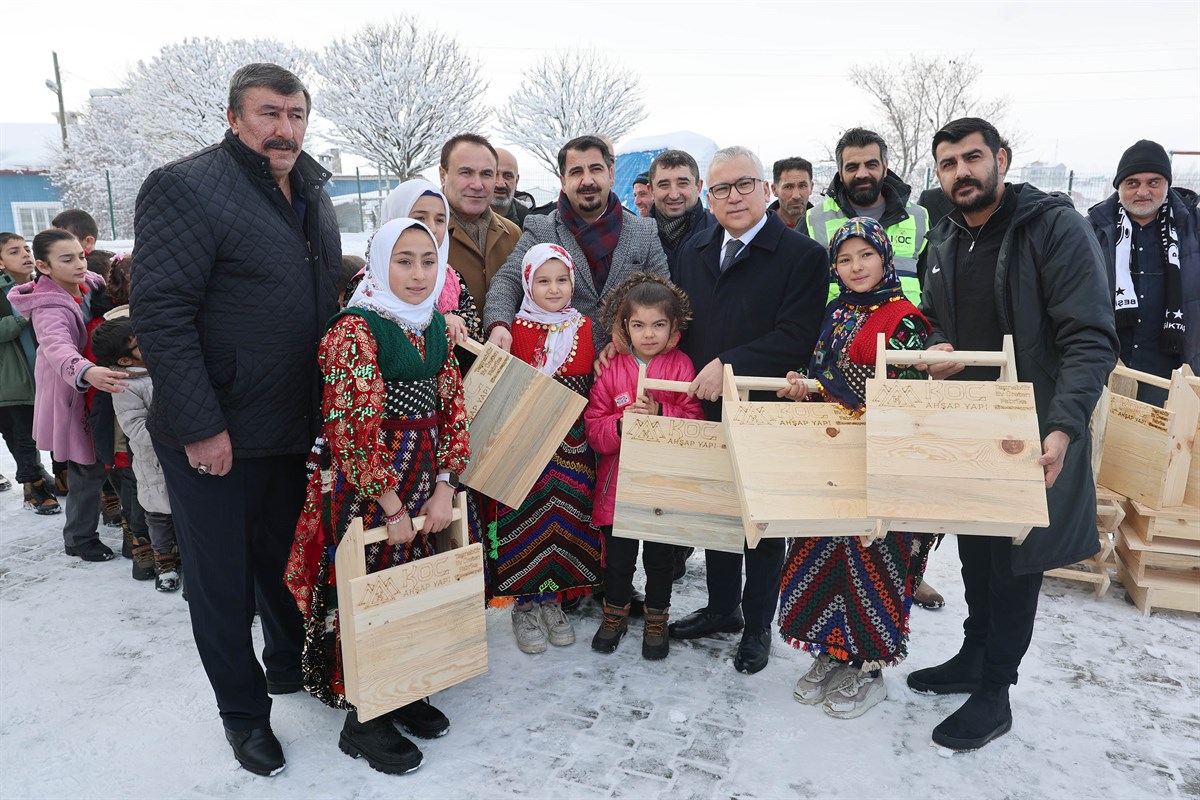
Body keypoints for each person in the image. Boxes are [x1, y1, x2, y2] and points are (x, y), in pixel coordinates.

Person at [131, 63, 341, 777]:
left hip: (291, 424)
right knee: (222, 585)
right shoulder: (185, 187)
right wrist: (200, 425)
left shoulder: (313, 189)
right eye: (269, 113)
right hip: (217, 431)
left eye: (296, 114)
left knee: (286, 564)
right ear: (233, 118)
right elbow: (162, 312)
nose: (285, 128)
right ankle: (244, 716)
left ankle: (288, 665)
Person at [907, 117, 1117, 752]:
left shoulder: (1051, 228)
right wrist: (938, 344)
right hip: (970, 424)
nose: (962, 172)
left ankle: (996, 691)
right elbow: (935, 316)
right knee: (975, 550)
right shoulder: (945, 233)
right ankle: (973, 657)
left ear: (1001, 158)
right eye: (949, 163)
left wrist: (1064, 426)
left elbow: (1089, 336)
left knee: (1015, 561)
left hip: (1033, 426)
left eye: (973, 158)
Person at [285, 218, 469, 775]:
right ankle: (364, 718)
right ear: (379, 263)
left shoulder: (432, 324)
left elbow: (453, 409)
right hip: (370, 491)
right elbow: (351, 427)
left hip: (425, 480)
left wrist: (444, 488)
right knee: (368, 590)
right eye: (403, 261)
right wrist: (390, 504)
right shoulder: (355, 330)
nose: (418, 274)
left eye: (428, 261)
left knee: (414, 583)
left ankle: (403, 687)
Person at [667, 145, 827, 675]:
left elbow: (798, 334)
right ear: (708, 197)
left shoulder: (802, 255)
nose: (733, 197)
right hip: (706, 403)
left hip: (766, 405)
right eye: (721, 188)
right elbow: (682, 322)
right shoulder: (694, 249)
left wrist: (728, 364)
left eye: (743, 185)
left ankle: (758, 623)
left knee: (762, 522)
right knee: (718, 510)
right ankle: (721, 608)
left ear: (766, 189)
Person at [774, 217, 934, 718]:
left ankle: (868, 668)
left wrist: (830, 391)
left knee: (874, 561)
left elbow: (906, 400)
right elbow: (823, 374)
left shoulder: (905, 319)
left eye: (866, 255)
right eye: (844, 259)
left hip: (881, 462)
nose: (856, 266)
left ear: (885, 258)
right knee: (822, 554)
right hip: (831, 459)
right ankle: (830, 653)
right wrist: (805, 386)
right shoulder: (836, 311)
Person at [487, 243, 602, 654]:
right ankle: (523, 606)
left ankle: (554, 602)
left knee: (566, 520)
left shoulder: (586, 327)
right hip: (524, 445)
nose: (554, 289)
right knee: (525, 519)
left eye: (562, 280)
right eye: (543, 281)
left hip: (573, 446)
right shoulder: (513, 331)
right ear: (527, 283)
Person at [584, 272, 702, 658]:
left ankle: (656, 619)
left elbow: (695, 423)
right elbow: (594, 428)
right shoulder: (611, 369)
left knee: (659, 560)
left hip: (662, 487)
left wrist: (661, 413)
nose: (648, 334)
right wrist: (622, 425)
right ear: (625, 326)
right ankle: (614, 614)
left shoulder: (682, 367)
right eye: (638, 325)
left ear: (674, 326)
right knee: (618, 561)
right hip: (618, 488)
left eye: (658, 325)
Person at [484, 136, 670, 355]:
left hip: (623, 362)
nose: (587, 180)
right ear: (563, 181)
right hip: (557, 361)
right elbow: (509, 280)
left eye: (596, 169)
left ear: (611, 175)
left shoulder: (644, 231)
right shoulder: (542, 229)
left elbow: (663, 292)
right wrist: (499, 324)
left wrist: (627, 338)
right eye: (576, 172)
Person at [9, 229, 129, 561]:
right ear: (44, 267)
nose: (79, 264)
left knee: (113, 460)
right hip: (74, 395)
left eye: (80, 256)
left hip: (100, 391)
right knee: (88, 469)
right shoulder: (48, 306)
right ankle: (78, 538)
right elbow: (57, 347)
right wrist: (87, 371)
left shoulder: (91, 283)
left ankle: (129, 525)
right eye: (67, 259)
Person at [1087, 139, 1199, 406]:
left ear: (1167, 184)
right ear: (1119, 186)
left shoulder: (1194, 228)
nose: (1142, 191)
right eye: (1133, 183)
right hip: (1106, 368)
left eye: (1153, 182)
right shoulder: (1092, 229)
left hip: (1174, 371)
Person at [92, 315, 181, 592]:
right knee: (158, 514)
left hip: (180, 458)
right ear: (124, 360)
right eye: (138, 343)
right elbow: (135, 428)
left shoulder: (159, 367)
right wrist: (174, 434)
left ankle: (184, 553)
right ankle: (164, 561)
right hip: (152, 462)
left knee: (182, 510)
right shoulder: (124, 386)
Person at [804, 128, 929, 303]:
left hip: (905, 320)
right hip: (838, 320)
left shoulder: (919, 218)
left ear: (885, 167)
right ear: (840, 172)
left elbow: (933, 293)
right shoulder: (814, 221)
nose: (862, 174)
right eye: (852, 167)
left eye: (871, 165)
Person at [381, 179, 483, 344]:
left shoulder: (451, 277)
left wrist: (458, 322)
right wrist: (440, 322)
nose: (432, 228)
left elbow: (475, 333)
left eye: (440, 220)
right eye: (420, 218)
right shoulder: (371, 282)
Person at [0, 232, 59, 514]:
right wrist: (22, 316)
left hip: (45, 373)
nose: (25, 254)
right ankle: (32, 485)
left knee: (53, 427)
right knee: (23, 434)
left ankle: (57, 474)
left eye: (26, 248)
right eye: (14, 251)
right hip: (13, 381)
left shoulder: (40, 284)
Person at [440, 134, 522, 320]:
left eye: (486, 174)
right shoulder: (421, 233)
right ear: (443, 175)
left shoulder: (513, 234)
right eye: (466, 172)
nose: (477, 185)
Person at [647, 149, 715, 277]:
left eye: (682, 184)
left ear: (698, 187)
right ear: (651, 190)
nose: (674, 195)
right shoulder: (636, 237)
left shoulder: (721, 232)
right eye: (664, 185)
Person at [770, 157, 815, 232]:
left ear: (811, 187)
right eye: (788, 187)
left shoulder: (822, 225)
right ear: (774, 189)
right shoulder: (759, 227)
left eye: (802, 186)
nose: (796, 196)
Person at [493, 148, 531, 229]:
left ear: (516, 181)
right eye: (494, 175)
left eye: (507, 176)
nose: (500, 184)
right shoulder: (468, 217)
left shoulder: (529, 222)